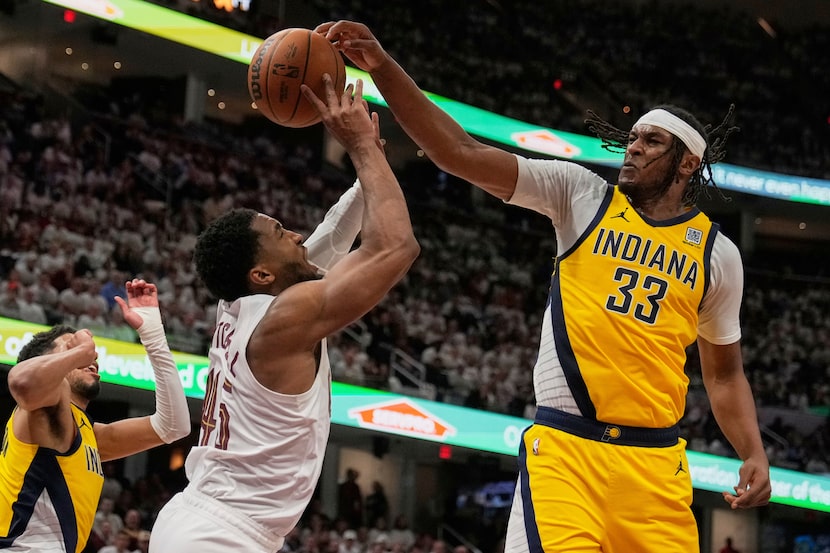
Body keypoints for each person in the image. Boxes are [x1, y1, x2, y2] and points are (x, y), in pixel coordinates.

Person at [315, 21, 772, 553]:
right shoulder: (581, 194)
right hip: (565, 452)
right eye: (634, 137)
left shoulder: (718, 254)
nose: (634, 147)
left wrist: (753, 451)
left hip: (655, 469)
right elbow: (457, 152)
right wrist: (383, 68)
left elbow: (723, 375)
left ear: (687, 163)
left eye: (653, 141)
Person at [148, 75, 419, 553]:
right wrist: (360, 148)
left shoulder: (248, 303)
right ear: (262, 274)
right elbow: (395, 246)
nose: (296, 234)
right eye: (280, 233)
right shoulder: (283, 321)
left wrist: (367, 166)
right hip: (218, 534)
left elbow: (331, 239)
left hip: (208, 521)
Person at [1, 279, 190, 552]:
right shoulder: (39, 409)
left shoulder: (88, 434)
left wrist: (152, 334)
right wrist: (79, 352)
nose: (91, 354)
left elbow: (174, 426)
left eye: (88, 351)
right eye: (68, 346)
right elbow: (21, 382)